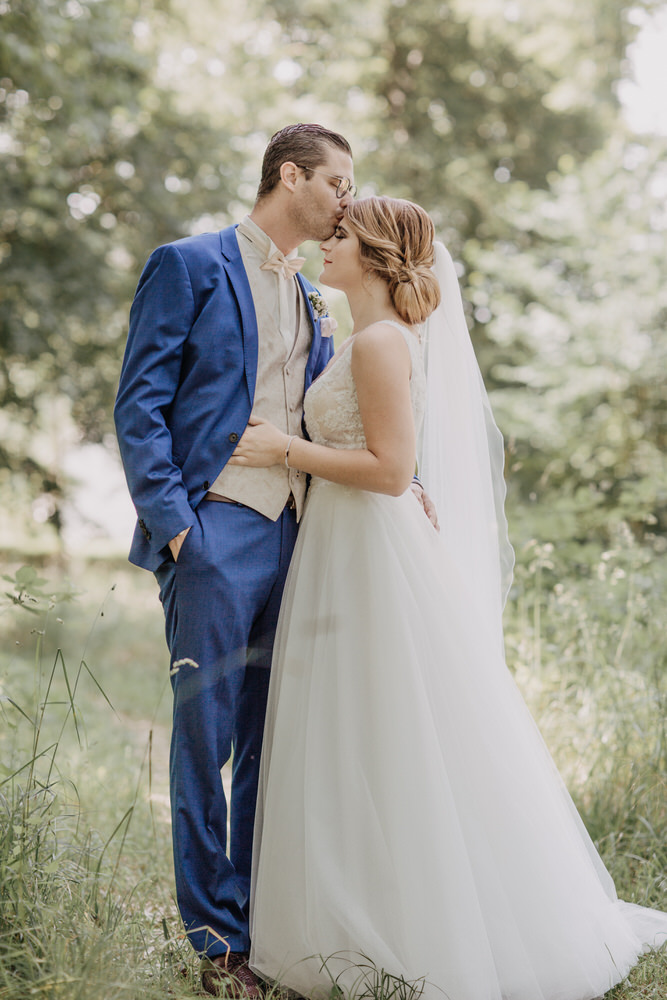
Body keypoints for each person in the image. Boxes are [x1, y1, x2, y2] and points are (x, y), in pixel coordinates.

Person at [228, 196, 667, 1000]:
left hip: (368, 549)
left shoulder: (382, 343)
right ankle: (343, 912)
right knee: (350, 728)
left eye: (341, 239)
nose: (327, 246)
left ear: (372, 255)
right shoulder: (367, 337)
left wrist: (283, 446)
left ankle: (411, 924)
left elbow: (391, 469)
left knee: (386, 726)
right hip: (344, 544)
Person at [114, 124, 361, 998]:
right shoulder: (186, 264)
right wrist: (182, 529)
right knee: (205, 742)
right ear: (288, 176)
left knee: (273, 742)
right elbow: (138, 404)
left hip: (296, 539)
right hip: (215, 533)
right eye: (335, 181)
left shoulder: (310, 295)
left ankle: (265, 921)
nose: (345, 198)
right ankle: (217, 941)